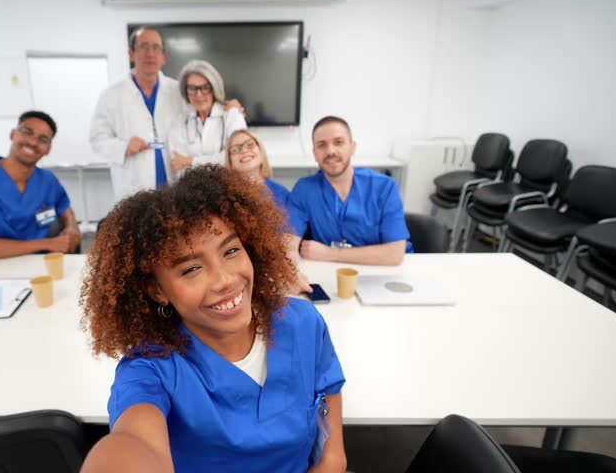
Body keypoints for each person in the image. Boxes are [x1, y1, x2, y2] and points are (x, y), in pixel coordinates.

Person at [79, 166, 346, 473]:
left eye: (231, 250)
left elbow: (328, 389)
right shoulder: (151, 370)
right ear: (157, 290)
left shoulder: (302, 323)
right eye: (191, 269)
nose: (225, 280)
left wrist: (333, 459)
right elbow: (133, 442)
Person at [90, 27, 244, 202]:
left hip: (175, 184)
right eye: (144, 46)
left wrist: (228, 106)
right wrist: (123, 146)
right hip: (134, 184)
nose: (150, 53)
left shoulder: (177, 90)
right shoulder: (112, 95)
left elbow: (202, 109)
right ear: (131, 54)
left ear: (164, 57)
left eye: (156, 48)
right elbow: (97, 139)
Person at [0, 111, 81, 259]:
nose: (33, 142)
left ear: (48, 149)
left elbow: (63, 207)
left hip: (35, 263)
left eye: (43, 139)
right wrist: (47, 244)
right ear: (13, 134)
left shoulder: (47, 180)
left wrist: (72, 227)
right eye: (27, 132)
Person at [286, 116, 412, 266]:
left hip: (383, 272)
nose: (330, 151)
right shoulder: (304, 189)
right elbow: (288, 244)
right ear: (314, 153)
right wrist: (291, 274)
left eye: (338, 142)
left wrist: (331, 254)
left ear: (352, 147)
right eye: (322, 145)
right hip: (329, 272)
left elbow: (394, 254)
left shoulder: (384, 187)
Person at [167, 60, 246, 179]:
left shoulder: (232, 116)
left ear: (214, 89)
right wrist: (217, 160)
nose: (198, 95)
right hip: (191, 191)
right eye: (192, 88)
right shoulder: (180, 121)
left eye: (204, 87)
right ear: (186, 91)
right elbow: (178, 165)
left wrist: (191, 161)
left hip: (228, 188)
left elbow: (235, 158)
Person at [225, 129, 289, 209]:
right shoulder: (223, 197)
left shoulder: (282, 193)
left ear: (261, 151)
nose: (244, 151)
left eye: (249, 145)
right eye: (236, 149)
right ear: (230, 161)